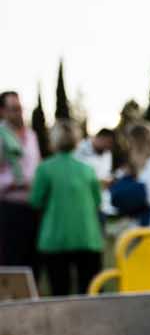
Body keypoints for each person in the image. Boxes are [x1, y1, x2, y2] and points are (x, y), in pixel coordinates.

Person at [28, 119, 103, 295]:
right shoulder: (87, 170)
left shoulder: (45, 169)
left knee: (59, 292)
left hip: (55, 238)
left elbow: (35, 201)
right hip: (87, 237)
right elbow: (98, 201)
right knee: (89, 291)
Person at [0, 89, 41, 274]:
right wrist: (13, 184)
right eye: (13, 108)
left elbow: (37, 166)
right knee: (12, 261)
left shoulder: (31, 136)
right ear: (2, 111)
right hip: (9, 207)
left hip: (33, 206)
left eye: (20, 108)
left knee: (33, 260)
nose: (19, 113)